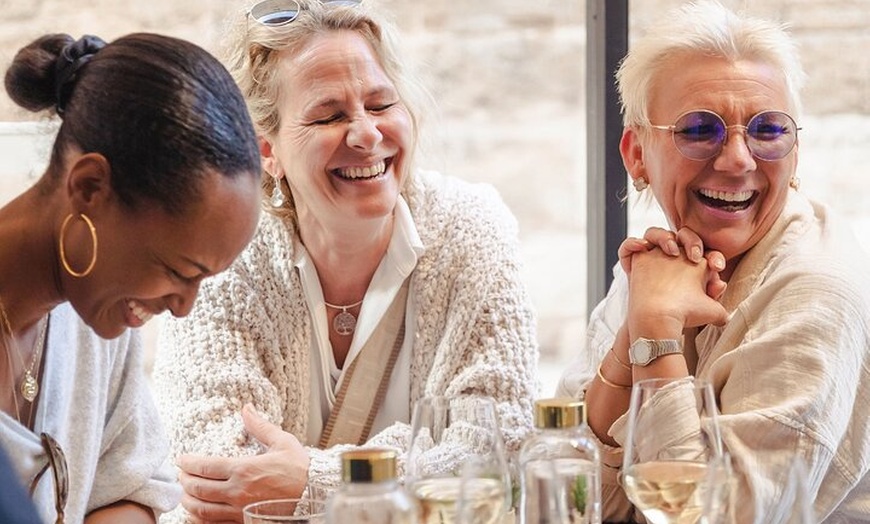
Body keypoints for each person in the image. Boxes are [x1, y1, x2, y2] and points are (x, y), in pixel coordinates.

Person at [151, 0, 540, 522]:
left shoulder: (473, 228)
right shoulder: (228, 256)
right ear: (266, 149)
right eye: (329, 115)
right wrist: (417, 467)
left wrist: (313, 482)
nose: (367, 135)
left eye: (381, 105)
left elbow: (501, 454)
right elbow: (220, 476)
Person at [557, 1, 870, 522]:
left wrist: (653, 333)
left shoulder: (817, 290)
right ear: (636, 154)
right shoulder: (668, 259)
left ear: (795, 152)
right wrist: (631, 338)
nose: (738, 160)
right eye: (700, 130)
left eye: (768, 130)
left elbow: (709, 518)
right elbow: (576, 497)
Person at [0, 32, 262, 523]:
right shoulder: (103, 298)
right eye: (178, 272)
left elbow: (127, 489)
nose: (185, 306)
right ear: (90, 186)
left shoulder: (98, 314)